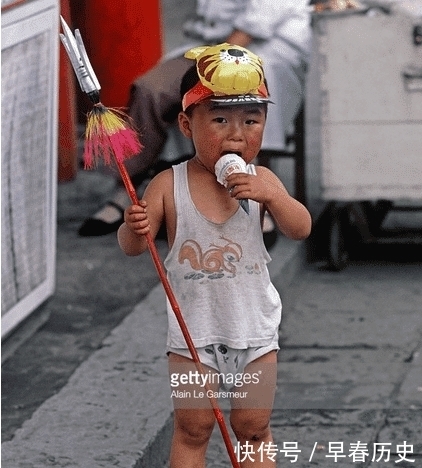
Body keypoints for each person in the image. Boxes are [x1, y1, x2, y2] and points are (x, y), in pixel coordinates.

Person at [117, 43, 312, 468]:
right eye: (219, 119)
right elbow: (134, 248)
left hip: (256, 335)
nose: (237, 134)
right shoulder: (169, 185)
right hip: (192, 339)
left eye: (251, 120)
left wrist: (275, 199)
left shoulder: (264, 180)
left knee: (253, 427)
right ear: (186, 125)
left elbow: (300, 229)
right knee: (193, 429)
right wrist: (133, 228)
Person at [79, 0, 311, 240]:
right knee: (150, 90)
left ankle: (253, 206)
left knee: (231, 105)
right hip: (208, 47)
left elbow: (259, 20)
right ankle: (127, 189)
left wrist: (218, 69)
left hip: (267, 49)